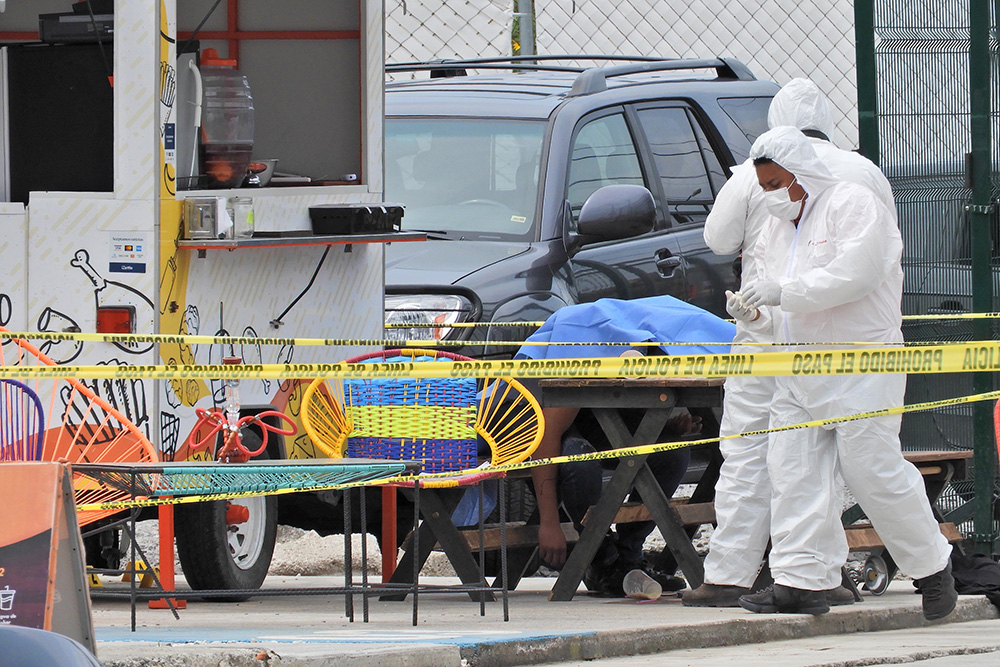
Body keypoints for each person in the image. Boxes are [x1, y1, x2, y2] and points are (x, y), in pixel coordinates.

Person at [686, 77, 895, 608]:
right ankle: (818, 576)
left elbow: (716, 239)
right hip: (832, 340)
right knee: (819, 460)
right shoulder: (863, 172)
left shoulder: (752, 174)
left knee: (748, 454)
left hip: (763, 335)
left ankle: (730, 573)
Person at [734, 126, 955, 619]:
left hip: (862, 361)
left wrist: (780, 294)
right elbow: (775, 301)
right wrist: (754, 314)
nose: (770, 196)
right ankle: (799, 581)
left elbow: (855, 274)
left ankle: (933, 568)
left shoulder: (853, 203)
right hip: (797, 365)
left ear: (803, 173)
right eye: (764, 187)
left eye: (776, 184)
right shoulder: (777, 225)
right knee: (793, 471)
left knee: (871, 470)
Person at [515, 295, 735, 596]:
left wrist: (666, 426)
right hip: (528, 430)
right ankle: (600, 557)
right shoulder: (589, 344)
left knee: (671, 451)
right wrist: (550, 524)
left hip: (586, 423)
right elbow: (544, 437)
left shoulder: (647, 343)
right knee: (580, 461)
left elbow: (616, 411)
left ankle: (628, 554)